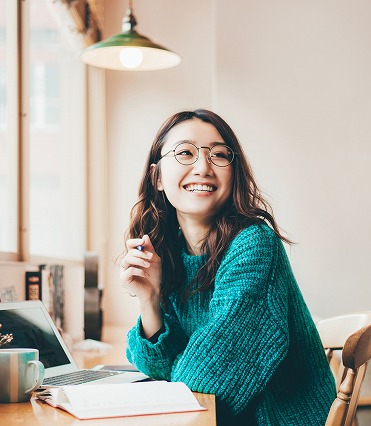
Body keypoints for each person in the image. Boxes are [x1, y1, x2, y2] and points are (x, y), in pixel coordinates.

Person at [119, 109, 335, 425]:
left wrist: (178, 369)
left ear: (233, 174)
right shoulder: (170, 253)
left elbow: (210, 378)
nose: (203, 167)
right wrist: (149, 300)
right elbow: (158, 367)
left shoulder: (255, 242)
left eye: (219, 155)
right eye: (185, 153)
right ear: (157, 178)